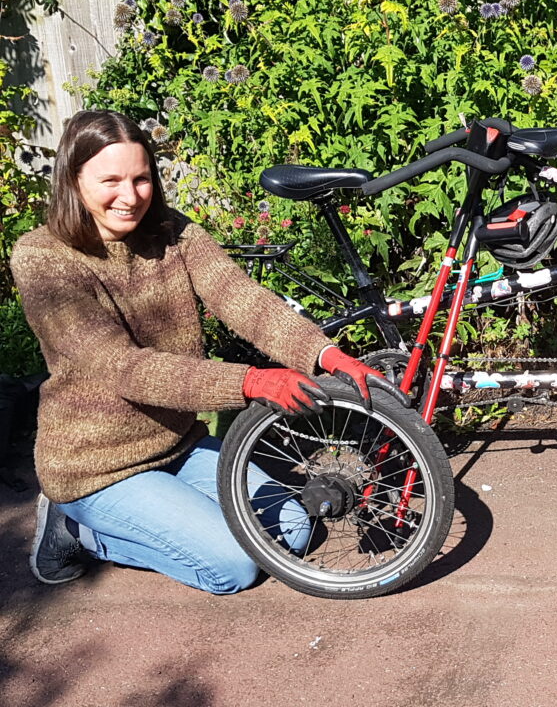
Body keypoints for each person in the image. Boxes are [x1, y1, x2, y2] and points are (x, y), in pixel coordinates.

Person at [10, 109, 401, 594]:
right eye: (110, 180)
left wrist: (323, 354)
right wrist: (251, 382)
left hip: (178, 444)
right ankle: (78, 531)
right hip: (96, 467)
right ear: (73, 179)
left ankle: (148, 513)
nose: (129, 197)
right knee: (235, 565)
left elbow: (243, 299)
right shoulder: (42, 258)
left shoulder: (171, 233)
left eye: (141, 178)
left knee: (294, 532)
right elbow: (123, 368)